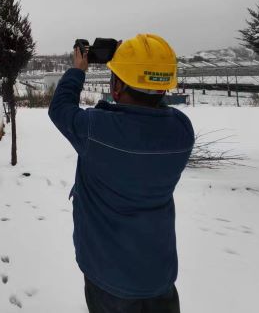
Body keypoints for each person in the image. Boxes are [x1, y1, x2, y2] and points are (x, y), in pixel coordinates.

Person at [48, 34, 194, 313]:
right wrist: (135, 65)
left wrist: (79, 69)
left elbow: (60, 108)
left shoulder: (97, 130)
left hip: (108, 276)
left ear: (117, 87)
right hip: (158, 273)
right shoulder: (181, 132)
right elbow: (152, 115)